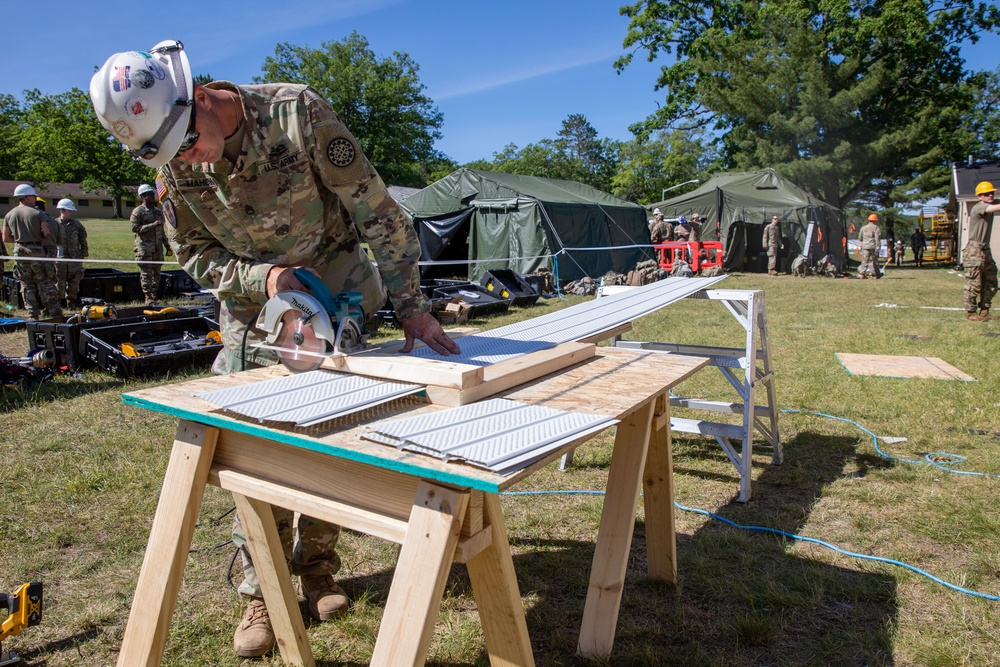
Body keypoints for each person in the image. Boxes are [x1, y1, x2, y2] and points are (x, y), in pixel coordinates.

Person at [91, 40, 461, 659]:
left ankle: (318, 569)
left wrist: (412, 306)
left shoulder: (298, 114)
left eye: (188, 140)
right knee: (252, 446)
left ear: (200, 96)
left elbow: (376, 211)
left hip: (335, 289)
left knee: (334, 431)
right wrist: (260, 280)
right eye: (171, 153)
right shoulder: (172, 166)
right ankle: (260, 589)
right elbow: (195, 254)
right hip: (253, 309)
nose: (188, 159)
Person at [1, 184, 61, 319]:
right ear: (27, 197)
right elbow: (46, 233)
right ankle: (54, 311)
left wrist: (20, 239)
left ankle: (32, 313)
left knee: (26, 284)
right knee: (44, 281)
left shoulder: (9, 214)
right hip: (37, 251)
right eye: (33, 196)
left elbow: (5, 237)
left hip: (19, 251)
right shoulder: (38, 213)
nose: (35, 199)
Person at [962, 181, 999, 321]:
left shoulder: (990, 203)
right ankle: (971, 313)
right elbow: (994, 208)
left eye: (991, 193)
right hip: (974, 250)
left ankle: (985, 310)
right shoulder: (979, 208)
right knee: (973, 283)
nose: (990, 195)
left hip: (985, 249)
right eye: (986, 194)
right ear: (979, 196)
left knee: (991, 281)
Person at [130, 183, 171, 305]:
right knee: (146, 273)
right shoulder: (138, 212)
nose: (153, 196)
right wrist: (151, 225)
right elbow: (135, 228)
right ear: (143, 197)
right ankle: (148, 297)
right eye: (150, 194)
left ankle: (154, 295)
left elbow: (161, 231)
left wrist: (167, 245)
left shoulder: (158, 212)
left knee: (156, 273)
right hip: (144, 248)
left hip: (157, 247)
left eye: (153, 194)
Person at [56, 198, 88, 307]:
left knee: (74, 283)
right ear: (62, 211)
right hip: (60, 259)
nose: (72, 213)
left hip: (74, 258)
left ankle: (71, 301)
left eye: (72, 211)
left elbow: (83, 240)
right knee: (59, 282)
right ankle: (59, 303)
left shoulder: (77, 225)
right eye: (69, 211)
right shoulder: (54, 224)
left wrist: (83, 254)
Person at [35, 197, 65, 303]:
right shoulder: (53, 222)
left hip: (32, 254)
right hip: (50, 255)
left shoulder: (27, 220)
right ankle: (52, 307)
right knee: (48, 281)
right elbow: (59, 242)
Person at [857, 213, 881, 279]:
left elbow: (860, 238)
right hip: (873, 247)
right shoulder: (876, 228)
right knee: (875, 261)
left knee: (865, 261)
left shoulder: (863, 228)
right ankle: (877, 274)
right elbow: (877, 238)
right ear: (875, 220)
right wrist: (878, 247)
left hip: (865, 247)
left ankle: (862, 274)